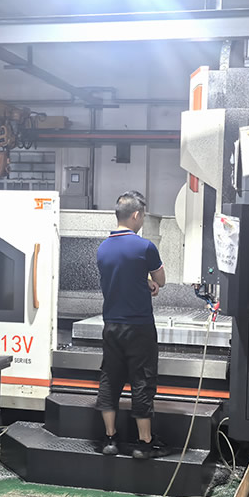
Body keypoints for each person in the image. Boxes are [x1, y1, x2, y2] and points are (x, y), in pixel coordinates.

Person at [95, 191, 170, 459]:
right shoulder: (144, 247)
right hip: (139, 326)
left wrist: (142, 281)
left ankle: (110, 440)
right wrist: (150, 281)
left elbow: (121, 278)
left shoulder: (103, 248)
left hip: (111, 325)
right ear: (136, 215)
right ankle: (144, 444)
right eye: (143, 216)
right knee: (142, 381)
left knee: (110, 378)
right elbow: (161, 280)